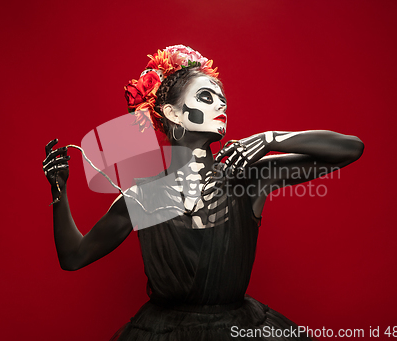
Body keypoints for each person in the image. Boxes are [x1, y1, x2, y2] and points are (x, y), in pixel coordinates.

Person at [43, 45, 364, 340]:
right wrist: (59, 191)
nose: (221, 105)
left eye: (222, 99)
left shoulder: (250, 176)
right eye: (206, 98)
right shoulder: (140, 196)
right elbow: (74, 258)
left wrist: (272, 139)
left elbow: (350, 149)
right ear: (173, 113)